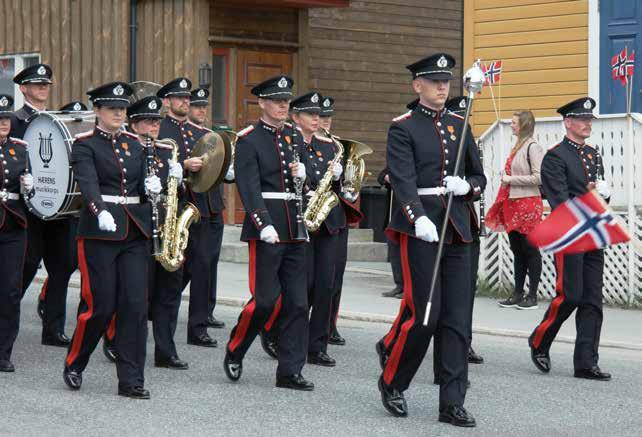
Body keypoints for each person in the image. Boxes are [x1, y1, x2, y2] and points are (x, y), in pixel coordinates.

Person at [375, 53, 485, 427]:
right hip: (421, 228)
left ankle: (451, 402)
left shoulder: (460, 122)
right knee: (425, 316)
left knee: (458, 320)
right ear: (417, 85)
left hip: (458, 227)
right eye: (435, 81)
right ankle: (393, 381)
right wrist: (417, 216)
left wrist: (467, 185)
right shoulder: (403, 127)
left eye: (446, 81)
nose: (442, 87)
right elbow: (401, 179)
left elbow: (479, 176)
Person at [62, 82, 161, 399]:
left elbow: (142, 188)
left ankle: (131, 379)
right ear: (97, 111)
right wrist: (98, 210)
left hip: (134, 232)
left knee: (134, 307)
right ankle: (76, 362)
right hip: (99, 233)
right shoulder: (84, 145)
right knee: (101, 307)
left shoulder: (138, 144)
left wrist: (154, 185)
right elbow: (88, 184)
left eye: (122, 109)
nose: (119, 113)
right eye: (111, 109)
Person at [223, 75, 314, 391]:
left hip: (294, 226)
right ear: (261, 102)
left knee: (299, 304)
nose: (282, 105)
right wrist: (264, 224)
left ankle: (290, 371)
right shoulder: (249, 139)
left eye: (286, 100)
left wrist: (305, 174)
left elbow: (306, 182)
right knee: (265, 301)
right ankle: (236, 348)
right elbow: (248, 188)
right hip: (267, 228)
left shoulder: (294, 135)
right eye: (276, 100)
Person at [528, 97, 612, 381]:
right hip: (568, 234)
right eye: (582, 119)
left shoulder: (593, 154)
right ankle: (540, 339)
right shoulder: (555, 156)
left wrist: (603, 193)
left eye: (590, 120)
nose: (588, 124)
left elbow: (596, 195)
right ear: (568, 122)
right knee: (571, 295)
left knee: (592, 299)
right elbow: (560, 202)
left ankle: (586, 363)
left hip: (594, 231)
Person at [11, 64, 73, 347]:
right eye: (36, 84)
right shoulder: (12, 122)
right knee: (25, 268)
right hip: (27, 210)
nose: (43, 88)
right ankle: (5, 323)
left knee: (61, 269)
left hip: (59, 211)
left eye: (46, 84)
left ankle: (53, 330)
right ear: (23, 88)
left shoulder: (56, 121)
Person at [486, 110, 544, 310]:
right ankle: (517, 293)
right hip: (513, 202)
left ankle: (533, 295)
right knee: (517, 250)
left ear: (524, 125)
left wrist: (511, 179)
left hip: (528, 203)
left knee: (530, 249)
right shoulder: (517, 146)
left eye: (514, 123)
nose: (511, 125)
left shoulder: (533, 147)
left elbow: (539, 177)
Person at [35, 100, 86, 325]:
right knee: (60, 266)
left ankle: (58, 324)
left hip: (80, 212)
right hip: (51, 214)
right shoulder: (53, 135)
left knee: (70, 267)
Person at [184, 86, 231, 330]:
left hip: (213, 203)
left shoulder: (209, 134)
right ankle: (197, 315)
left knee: (210, 261)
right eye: (196, 106)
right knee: (196, 263)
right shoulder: (185, 133)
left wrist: (228, 170)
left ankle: (207, 310)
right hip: (195, 204)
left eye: (204, 107)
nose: (201, 110)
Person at [0, 95, 35, 372]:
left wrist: (28, 186)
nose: (3, 124)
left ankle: (3, 351)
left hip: (13, 224)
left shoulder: (20, 149)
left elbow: (27, 190)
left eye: (6, 120)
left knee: (11, 290)